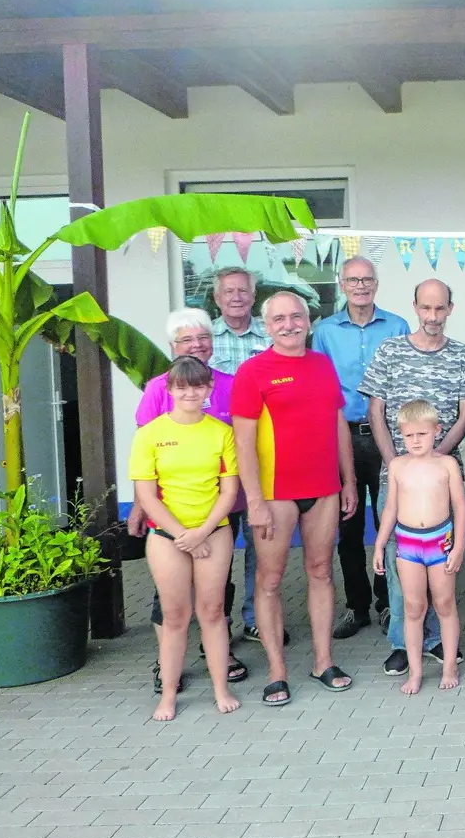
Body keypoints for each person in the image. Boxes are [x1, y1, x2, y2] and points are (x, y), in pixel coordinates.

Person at [231, 291, 358, 706]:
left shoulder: (322, 364)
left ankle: (323, 661)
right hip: (275, 494)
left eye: (296, 316)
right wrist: (254, 500)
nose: (289, 324)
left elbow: (338, 422)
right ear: (267, 326)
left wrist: (349, 480)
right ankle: (277, 670)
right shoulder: (253, 372)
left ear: (308, 320)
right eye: (280, 319)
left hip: (323, 489)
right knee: (269, 581)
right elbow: (243, 444)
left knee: (321, 571)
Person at [359, 279, 465, 677]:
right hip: (394, 472)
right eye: (425, 308)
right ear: (414, 306)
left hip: (440, 476)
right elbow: (376, 410)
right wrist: (397, 462)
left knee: (443, 558)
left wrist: (434, 458)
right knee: (400, 563)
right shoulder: (390, 350)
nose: (432, 316)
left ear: (450, 309)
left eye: (439, 309)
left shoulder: (463, 355)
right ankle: (403, 641)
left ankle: (440, 642)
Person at [130, 308, 249, 694]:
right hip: (168, 519)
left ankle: (219, 654)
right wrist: (142, 508)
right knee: (169, 598)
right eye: (186, 340)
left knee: (217, 592)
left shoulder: (231, 384)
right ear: (172, 347)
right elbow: (146, 469)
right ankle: (169, 665)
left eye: (202, 338)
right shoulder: (156, 389)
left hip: (220, 511)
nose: (196, 346)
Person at [310, 255, 411, 641]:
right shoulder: (325, 331)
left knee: (391, 520)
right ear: (342, 284)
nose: (361, 286)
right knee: (348, 526)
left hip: (389, 436)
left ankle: (387, 602)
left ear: (376, 284)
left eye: (367, 279)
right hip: (343, 437)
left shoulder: (398, 326)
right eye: (353, 280)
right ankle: (357, 607)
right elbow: (321, 386)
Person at [373, 400, 465, 695]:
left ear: (436, 432)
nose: (415, 441)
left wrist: (459, 547)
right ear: (401, 435)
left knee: (444, 603)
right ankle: (415, 672)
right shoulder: (398, 466)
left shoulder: (447, 464)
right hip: (408, 542)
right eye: (409, 435)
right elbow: (390, 510)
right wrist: (379, 546)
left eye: (422, 434)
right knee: (414, 607)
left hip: (441, 541)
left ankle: (449, 665)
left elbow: (460, 507)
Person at [206, 266, 272, 644]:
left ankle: (255, 617)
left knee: (259, 540)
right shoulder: (205, 339)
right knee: (220, 542)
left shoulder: (269, 335)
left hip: (263, 453)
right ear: (217, 298)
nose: (235, 297)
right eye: (228, 291)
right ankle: (217, 620)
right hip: (216, 460)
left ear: (252, 296)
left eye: (242, 291)